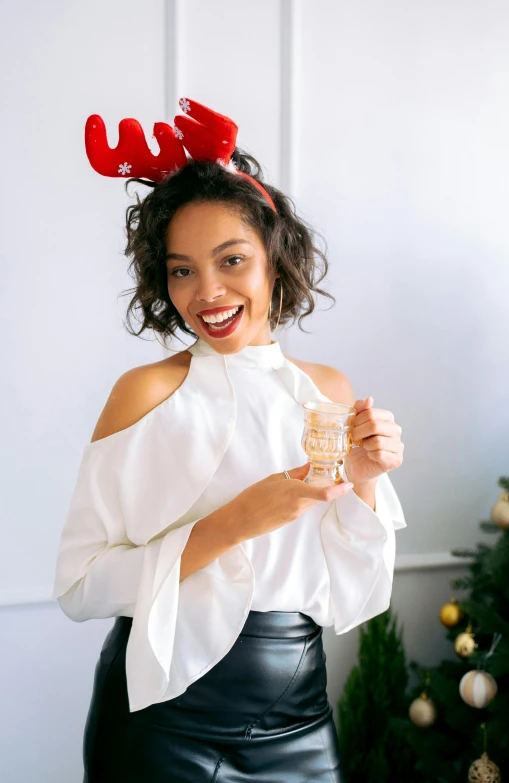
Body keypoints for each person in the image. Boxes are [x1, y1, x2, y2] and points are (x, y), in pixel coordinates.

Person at [52, 98, 406, 782]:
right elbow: (78, 586)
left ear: (276, 257)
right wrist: (238, 520)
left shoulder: (325, 391)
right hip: (164, 724)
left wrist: (363, 476)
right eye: (182, 269)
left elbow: (360, 594)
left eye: (231, 259)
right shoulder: (144, 394)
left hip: (300, 720)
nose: (206, 292)